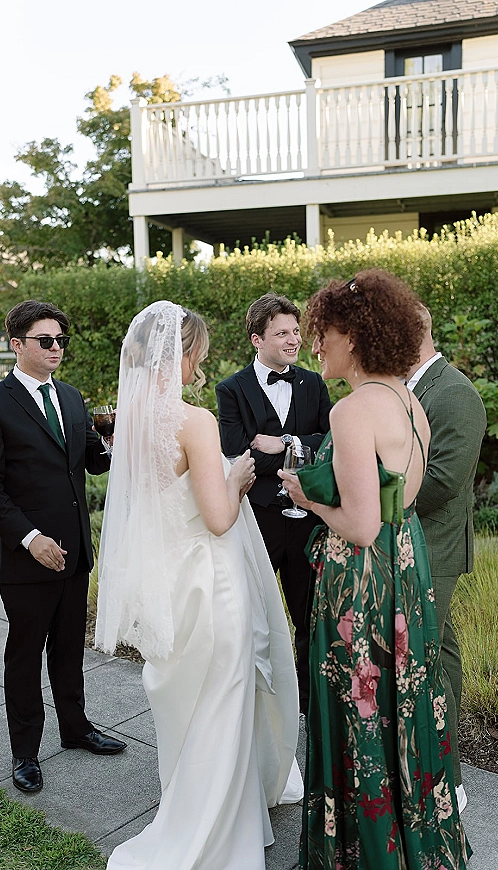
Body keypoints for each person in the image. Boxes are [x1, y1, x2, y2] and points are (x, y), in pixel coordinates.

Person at [95, 301, 303, 870]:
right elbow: (217, 518)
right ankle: (216, 829)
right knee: (224, 698)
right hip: (211, 583)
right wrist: (236, 477)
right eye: (198, 356)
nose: (200, 367)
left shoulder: (130, 419)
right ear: (180, 354)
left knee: (186, 699)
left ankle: (193, 803)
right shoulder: (195, 421)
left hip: (168, 582)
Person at [280, 271, 471, 869]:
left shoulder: (352, 410)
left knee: (360, 710)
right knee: (401, 703)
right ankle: (412, 844)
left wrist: (308, 498)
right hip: (405, 569)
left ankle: (363, 854)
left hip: (360, 582)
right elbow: (400, 503)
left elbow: (361, 527)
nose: (317, 345)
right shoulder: (409, 402)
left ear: (356, 337)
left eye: (326, 333)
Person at [0, 300, 126, 795]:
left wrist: (116, 439)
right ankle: (25, 752)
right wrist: (31, 539)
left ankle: (76, 729)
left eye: (61, 340)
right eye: (46, 340)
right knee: (25, 654)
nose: (57, 348)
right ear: (17, 344)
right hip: (25, 556)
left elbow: (92, 461)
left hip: (74, 550)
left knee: (69, 649)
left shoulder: (72, 397)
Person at [216, 293, 332, 714]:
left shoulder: (313, 384)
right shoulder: (231, 389)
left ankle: (307, 702)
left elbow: (330, 443)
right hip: (259, 518)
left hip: (307, 519)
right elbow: (236, 452)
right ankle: (257, 702)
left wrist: (285, 442)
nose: (294, 340)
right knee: (256, 615)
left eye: (296, 331)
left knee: (309, 615)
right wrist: (300, 451)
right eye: (282, 333)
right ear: (257, 339)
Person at [407, 307, 487, 813]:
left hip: (434, 544)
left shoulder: (455, 392)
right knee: (442, 656)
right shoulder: (412, 387)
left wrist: (373, 502)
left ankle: (445, 782)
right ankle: (447, 775)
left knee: (426, 663)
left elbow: (443, 480)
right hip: (415, 541)